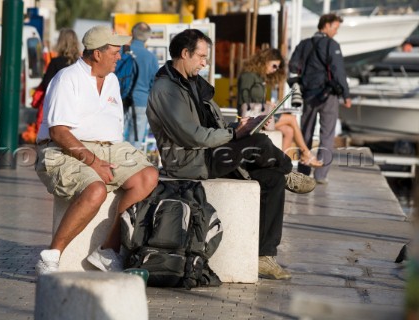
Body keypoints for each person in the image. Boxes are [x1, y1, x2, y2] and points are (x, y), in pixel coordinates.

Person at [147, 29, 316, 280]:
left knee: (271, 179)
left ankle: (264, 256)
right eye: (202, 57)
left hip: (210, 153)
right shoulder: (166, 89)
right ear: (185, 54)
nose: (205, 63)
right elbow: (192, 136)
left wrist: (240, 127)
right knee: (257, 143)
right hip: (191, 162)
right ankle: (287, 170)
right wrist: (236, 134)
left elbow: (210, 126)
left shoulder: (193, 84)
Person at [34, 25, 159, 275]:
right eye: (115, 52)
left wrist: (108, 156)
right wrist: (93, 161)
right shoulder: (68, 78)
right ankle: (51, 256)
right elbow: (59, 132)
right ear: (97, 54)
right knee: (95, 189)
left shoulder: (111, 80)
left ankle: (107, 250)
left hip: (109, 147)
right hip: (63, 148)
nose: (120, 57)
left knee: (148, 176)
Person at [289, 13, 352, 184]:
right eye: (335, 28)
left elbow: (293, 66)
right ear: (326, 25)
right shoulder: (331, 45)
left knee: (306, 132)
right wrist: (346, 95)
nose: (336, 32)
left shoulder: (304, 44)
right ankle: (321, 175)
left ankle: (303, 170)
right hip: (327, 95)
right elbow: (338, 71)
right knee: (327, 134)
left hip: (308, 93)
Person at [237, 48, 323, 167]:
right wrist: (265, 104)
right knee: (291, 119)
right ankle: (306, 153)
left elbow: (255, 99)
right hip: (252, 118)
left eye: (277, 67)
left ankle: (281, 164)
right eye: (274, 66)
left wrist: (267, 104)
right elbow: (244, 100)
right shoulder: (248, 76)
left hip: (260, 115)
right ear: (265, 61)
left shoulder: (260, 78)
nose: (275, 69)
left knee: (289, 131)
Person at [33, 28, 81, 133]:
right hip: (77, 109)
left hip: (58, 110)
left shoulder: (55, 62)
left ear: (61, 42)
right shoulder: (81, 63)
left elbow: (47, 85)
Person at [124, 22, 159, 149]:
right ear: (147, 37)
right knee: (135, 144)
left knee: (116, 139)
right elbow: (155, 84)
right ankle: (132, 167)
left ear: (132, 33)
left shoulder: (122, 52)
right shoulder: (151, 58)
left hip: (119, 101)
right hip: (141, 102)